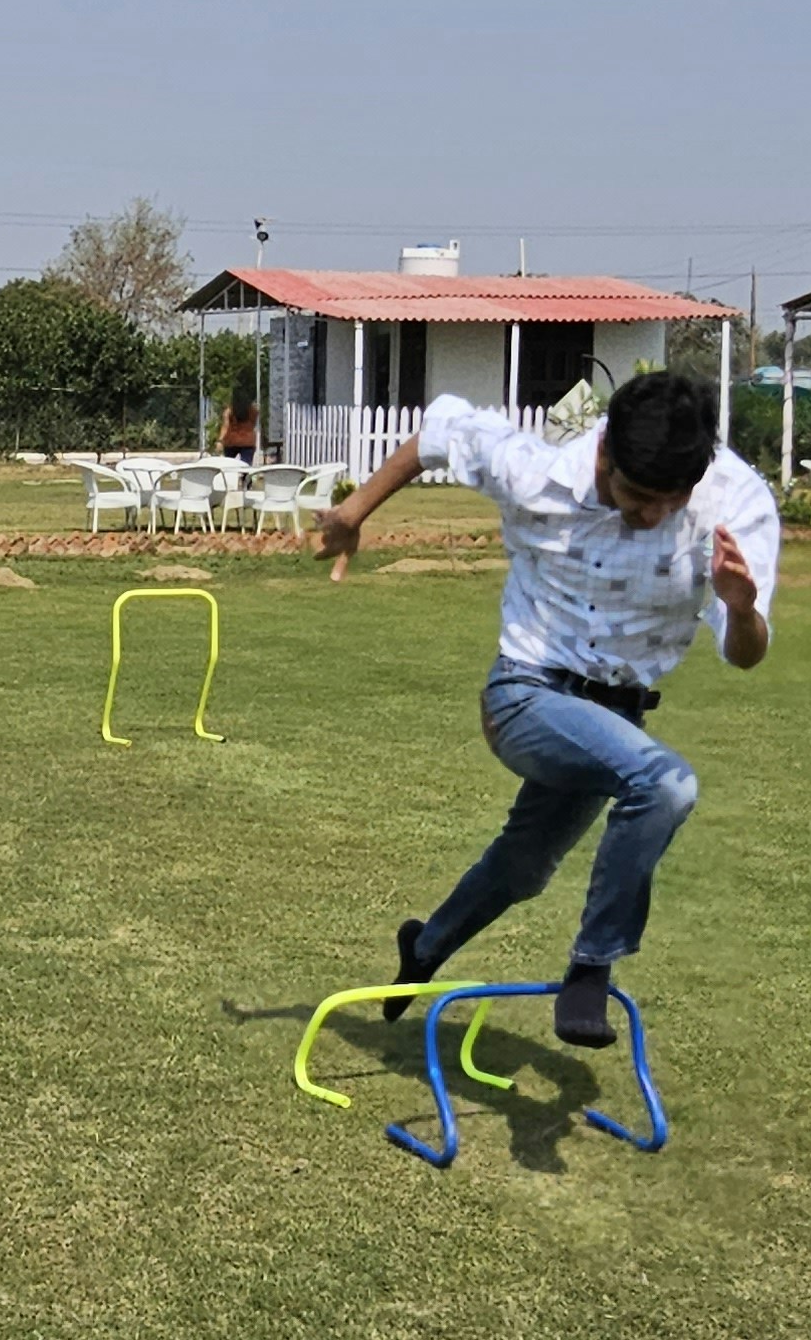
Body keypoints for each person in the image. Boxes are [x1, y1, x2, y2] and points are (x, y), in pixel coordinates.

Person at [313, 366, 776, 1046]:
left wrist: (740, 609)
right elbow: (438, 433)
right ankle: (593, 966)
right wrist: (354, 513)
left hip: (616, 716)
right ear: (606, 452)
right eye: (633, 495)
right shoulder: (533, 471)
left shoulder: (737, 505)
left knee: (526, 867)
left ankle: (425, 945)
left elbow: (746, 654)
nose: (646, 516)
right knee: (667, 783)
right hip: (525, 694)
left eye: (665, 504)